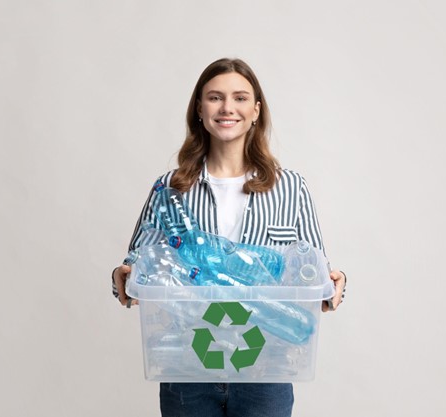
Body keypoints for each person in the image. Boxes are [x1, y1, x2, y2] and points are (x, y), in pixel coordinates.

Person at [112, 57, 346, 417]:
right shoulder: (171, 190)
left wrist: (337, 283)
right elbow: (136, 272)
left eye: (239, 98)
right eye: (215, 97)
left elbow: (315, 275)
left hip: (266, 369)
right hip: (188, 367)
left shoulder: (291, 188)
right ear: (199, 109)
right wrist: (122, 279)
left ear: (256, 110)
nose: (227, 108)